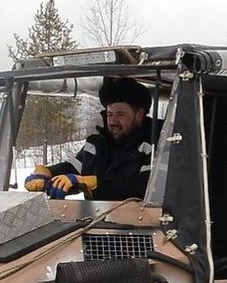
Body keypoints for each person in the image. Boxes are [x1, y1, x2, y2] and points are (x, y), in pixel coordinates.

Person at [25, 77, 155, 201]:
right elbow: (73, 168)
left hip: (142, 220)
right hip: (94, 219)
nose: (113, 121)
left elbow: (143, 187)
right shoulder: (97, 145)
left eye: (120, 114)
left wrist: (91, 183)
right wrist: (48, 173)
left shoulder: (156, 146)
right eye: (110, 114)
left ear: (139, 115)